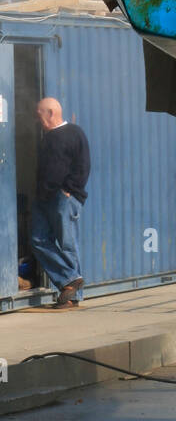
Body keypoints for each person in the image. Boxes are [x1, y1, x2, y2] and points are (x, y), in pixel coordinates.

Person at [30, 98, 91, 309]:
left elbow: (84, 166)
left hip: (63, 198)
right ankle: (69, 279)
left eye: (39, 116)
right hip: (43, 197)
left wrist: (69, 190)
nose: (38, 121)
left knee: (67, 244)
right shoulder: (47, 138)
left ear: (50, 113)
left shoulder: (74, 133)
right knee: (38, 240)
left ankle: (73, 297)